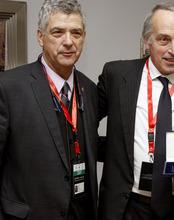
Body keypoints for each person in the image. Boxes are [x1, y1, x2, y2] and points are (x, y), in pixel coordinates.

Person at [97, 2, 174, 220]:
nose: (173, 50)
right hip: (126, 207)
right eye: (163, 39)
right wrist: (113, 151)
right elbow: (82, 124)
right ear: (147, 40)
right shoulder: (117, 75)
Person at [0, 0, 99, 219]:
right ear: (40, 37)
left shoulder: (90, 90)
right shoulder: (9, 87)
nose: (68, 42)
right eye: (57, 32)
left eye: (76, 33)